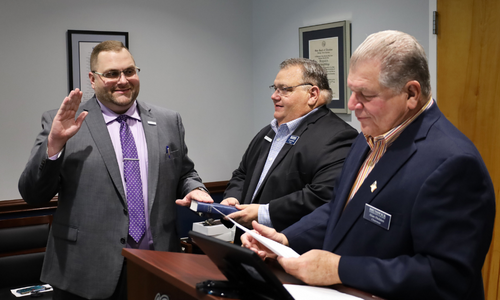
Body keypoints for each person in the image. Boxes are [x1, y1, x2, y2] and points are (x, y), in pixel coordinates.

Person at [242, 30, 495, 300]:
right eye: (352, 91)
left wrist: (340, 269)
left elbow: (446, 276)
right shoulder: (370, 136)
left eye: (365, 94)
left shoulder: (454, 162)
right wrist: (286, 240)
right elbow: (341, 208)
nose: (352, 105)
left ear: (411, 93)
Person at [18, 41, 213, 300]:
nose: (123, 80)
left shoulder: (168, 121)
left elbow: (185, 173)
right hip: (85, 272)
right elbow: (33, 194)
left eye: (130, 71)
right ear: (93, 78)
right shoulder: (65, 122)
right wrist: (54, 146)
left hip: (159, 265)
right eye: (111, 74)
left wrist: (196, 188)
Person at [220, 58, 357, 232]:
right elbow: (242, 174)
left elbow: (323, 195)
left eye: (285, 89)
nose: (274, 96)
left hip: (291, 248)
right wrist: (233, 198)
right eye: (275, 88)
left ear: (313, 94)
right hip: (249, 243)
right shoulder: (269, 132)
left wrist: (264, 213)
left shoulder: (339, 136)